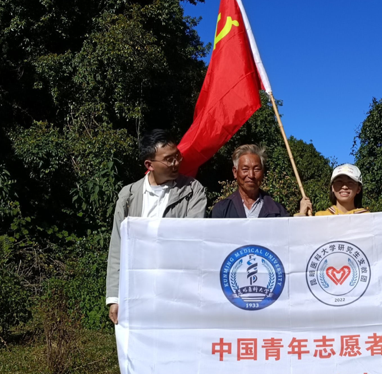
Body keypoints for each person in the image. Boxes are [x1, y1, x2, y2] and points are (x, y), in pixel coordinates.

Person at [106, 129, 207, 323]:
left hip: (178, 288)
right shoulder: (128, 196)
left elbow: (192, 238)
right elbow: (117, 247)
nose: (176, 163)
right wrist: (114, 297)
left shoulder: (193, 191)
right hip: (137, 288)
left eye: (177, 156)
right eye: (169, 160)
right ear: (149, 165)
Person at [211, 144, 308, 218]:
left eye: (256, 169)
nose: (251, 175)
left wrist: (302, 214)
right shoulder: (222, 210)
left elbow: (290, 235)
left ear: (263, 172)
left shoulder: (277, 211)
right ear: (235, 172)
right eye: (245, 169)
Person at [300, 163, 369, 216]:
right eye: (339, 182)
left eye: (350, 182)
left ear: (358, 189)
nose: (344, 186)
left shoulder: (367, 217)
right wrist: (301, 214)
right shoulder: (321, 216)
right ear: (332, 187)